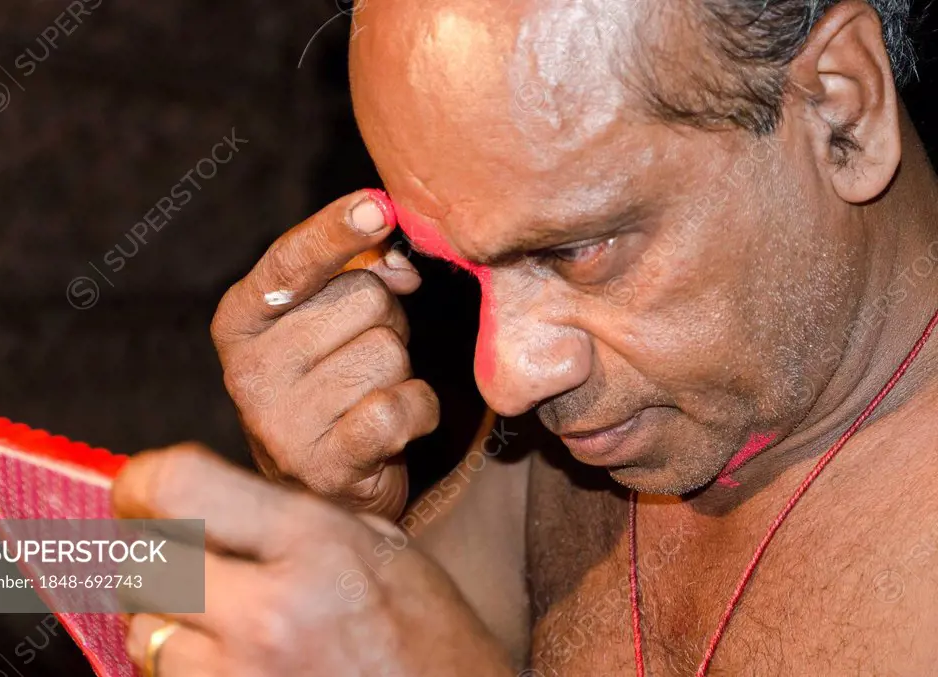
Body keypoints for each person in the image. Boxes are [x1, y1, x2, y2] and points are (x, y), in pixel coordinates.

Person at [112, 0, 938, 674]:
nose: (505, 377)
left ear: (841, 109)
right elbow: (385, 620)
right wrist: (330, 524)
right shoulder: (592, 433)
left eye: (579, 251)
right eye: (460, 272)